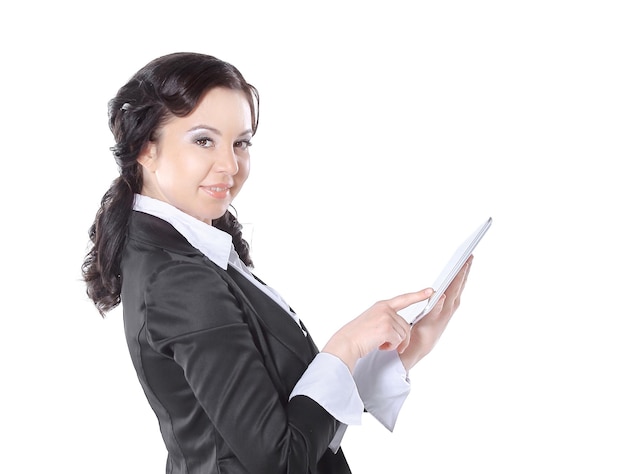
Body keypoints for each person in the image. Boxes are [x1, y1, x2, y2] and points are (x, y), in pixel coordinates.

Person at [82, 52, 473, 474]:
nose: (230, 166)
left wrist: (391, 358)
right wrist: (345, 347)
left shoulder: (191, 252)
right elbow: (280, 461)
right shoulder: (180, 279)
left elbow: (282, 412)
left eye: (241, 143)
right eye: (203, 140)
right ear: (146, 148)